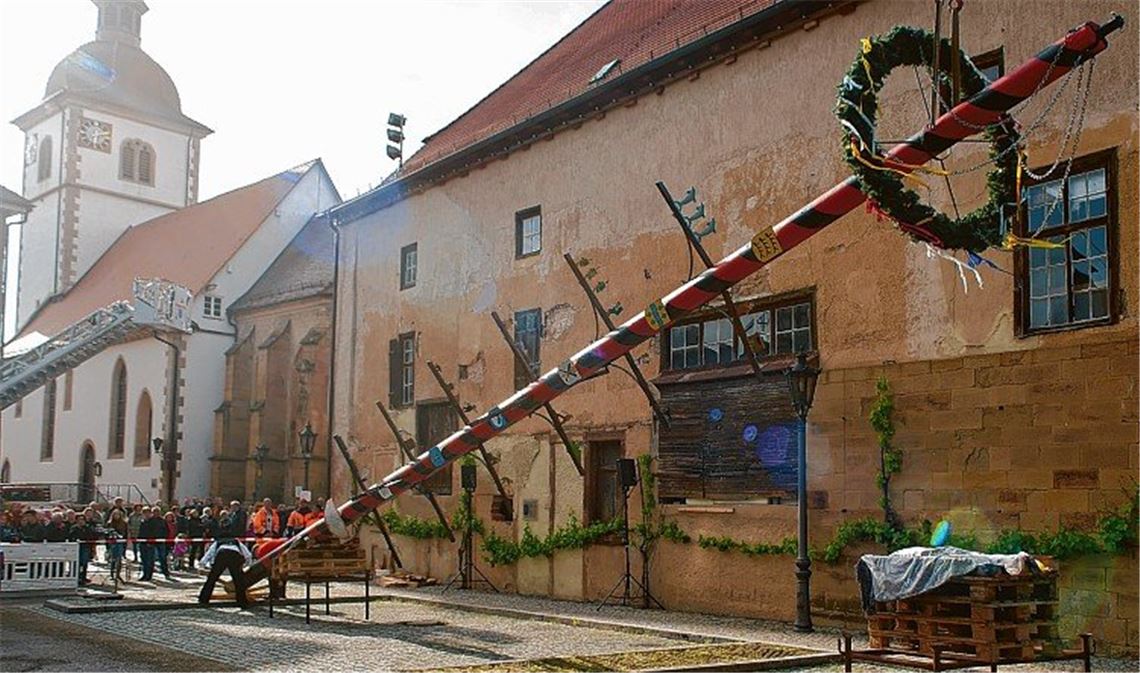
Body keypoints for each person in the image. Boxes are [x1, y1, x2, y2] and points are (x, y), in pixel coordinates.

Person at [198, 529, 252, 608]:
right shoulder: (236, 541)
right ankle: (242, 602)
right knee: (238, 580)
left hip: (222, 554)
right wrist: (247, 564)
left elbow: (209, 553)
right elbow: (247, 554)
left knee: (212, 578)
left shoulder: (218, 542)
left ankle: (203, 599)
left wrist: (202, 564)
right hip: (234, 555)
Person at [138, 508, 172, 582]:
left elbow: (157, 532)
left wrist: (160, 539)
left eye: (148, 513)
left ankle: (150, 575)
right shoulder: (144, 521)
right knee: (144, 560)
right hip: (143, 543)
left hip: (154, 543)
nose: (146, 514)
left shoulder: (156, 521)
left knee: (154, 559)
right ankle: (145, 575)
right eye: (145, 513)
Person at [70, 512, 98, 585]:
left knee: (84, 563)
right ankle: (76, 577)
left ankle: (83, 577)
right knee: (77, 564)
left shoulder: (87, 528)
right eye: (79, 519)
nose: (81, 521)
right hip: (76, 548)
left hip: (85, 548)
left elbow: (91, 536)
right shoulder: (74, 528)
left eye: (82, 519)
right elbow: (72, 537)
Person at [105, 508, 129, 583]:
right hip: (112, 543)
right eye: (115, 514)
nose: (116, 516)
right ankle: (112, 574)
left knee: (119, 559)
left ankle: (118, 574)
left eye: (118, 514)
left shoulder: (124, 523)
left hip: (120, 543)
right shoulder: (109, 523)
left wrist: (125, 543)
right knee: (113, 559)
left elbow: (126, 534)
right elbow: (106, 533)